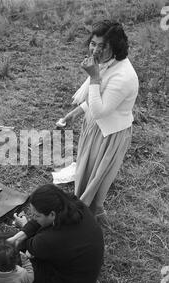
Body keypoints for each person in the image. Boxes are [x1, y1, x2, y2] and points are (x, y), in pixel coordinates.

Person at [56, 20, 139, 220]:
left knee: (96, 177)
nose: (95, 50)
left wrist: (94, 77)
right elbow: (98, 99)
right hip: (96, 127)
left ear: (116, 48)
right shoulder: (107, 65)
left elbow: (100, 109)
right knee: (86, 167)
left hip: (109, 134)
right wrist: (73, 114)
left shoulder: (123, 76)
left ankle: (91, 212)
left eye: (103, 46)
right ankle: (81, 202)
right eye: (93, 43)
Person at [8, 184, 104, 283]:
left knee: (11, 260)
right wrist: (21, 234)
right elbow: (33, 233)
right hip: (82, 271)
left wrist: (24, 227)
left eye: (36, 215)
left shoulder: (47, 240)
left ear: (52, 214)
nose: (33, 217)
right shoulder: (73, 203)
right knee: (18, 243)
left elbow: (29, 244)